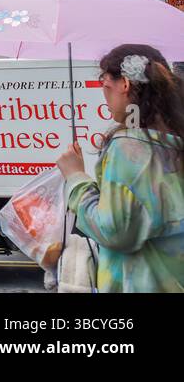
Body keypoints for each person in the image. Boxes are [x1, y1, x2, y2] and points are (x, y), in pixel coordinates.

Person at [55, 44, 184, 292]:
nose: (105, 98)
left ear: (125, 84)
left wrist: (76, 178)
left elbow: (115, 231)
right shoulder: (173, 139)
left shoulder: (130, 147)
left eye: (106, 86)